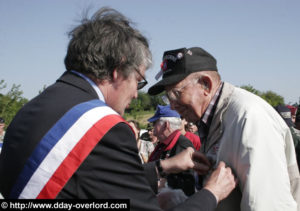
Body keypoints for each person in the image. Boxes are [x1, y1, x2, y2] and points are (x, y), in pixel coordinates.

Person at [0, 8, 236, 211]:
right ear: (117, 70)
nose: (135, 93)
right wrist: (212, 193)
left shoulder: (35, 108)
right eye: (138, 80)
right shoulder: (103, 128)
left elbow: (92, 179)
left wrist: (165, 166)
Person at [148, 47, 300, 211]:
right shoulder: (212, 118)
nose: (172, 104)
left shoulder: (249, 118)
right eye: (168, 97)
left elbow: (265, 204)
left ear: (206, 85)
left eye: (176, 94)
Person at [148, 105, 196, 196]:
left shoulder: (183, 146)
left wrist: (164, 184)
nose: (153, 131)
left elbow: (187, 185)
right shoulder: (162, 145)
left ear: (166, 125)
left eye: (155, 124)